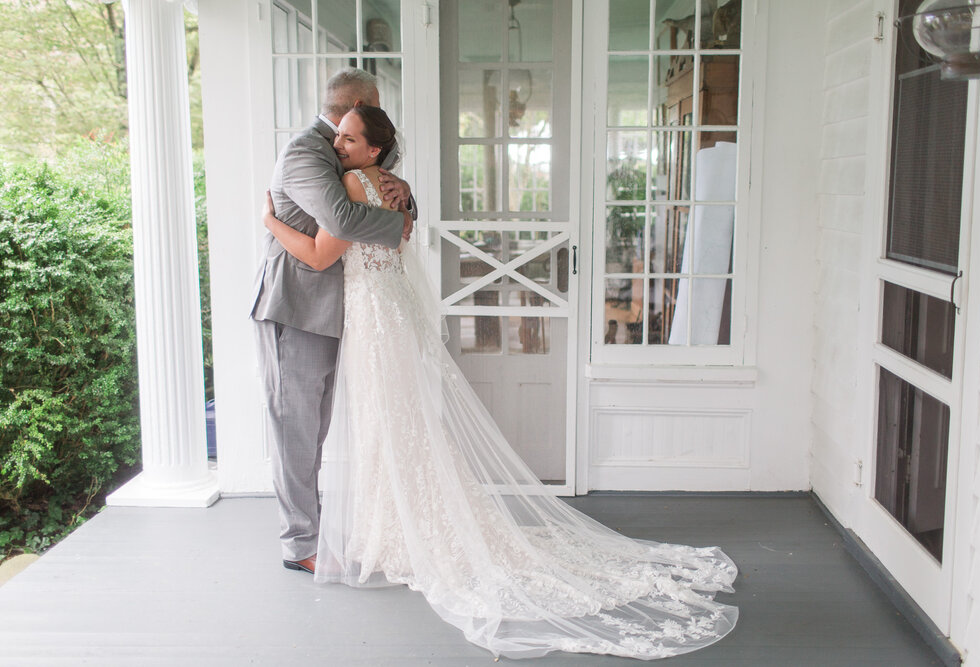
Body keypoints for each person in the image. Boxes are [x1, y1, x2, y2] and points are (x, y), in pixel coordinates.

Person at [263, 106, 739, 660]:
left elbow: (322, 252)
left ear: (373, 150)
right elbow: (393, 236)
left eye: (348, 136)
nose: (337, 143)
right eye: (337, 134)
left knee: (383, 423)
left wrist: (271, 222)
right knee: (401, 422)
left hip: (372, 320)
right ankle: (401, 523)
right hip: (386, 314)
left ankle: (395, 530)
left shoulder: (349, 182)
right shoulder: (391, 189)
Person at [250, 68, 415, 576]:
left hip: (338, 307)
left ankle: (321, 530)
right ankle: (299, 544)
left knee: (316, 428)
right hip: (295, 306)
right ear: (357, 105)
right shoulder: (306, 150)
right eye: (373, 106)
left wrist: (405, 198)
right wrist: (401, 224)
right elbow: (341, 221)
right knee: (296, 431)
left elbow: (378, 195)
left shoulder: (349, 151)